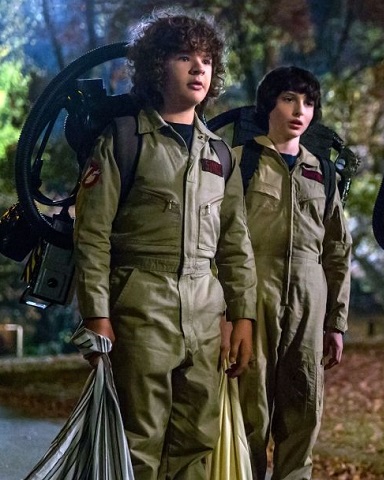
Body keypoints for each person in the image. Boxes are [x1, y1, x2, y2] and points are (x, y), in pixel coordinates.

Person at [72, 11, 257, 479]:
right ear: (157, 67)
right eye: (183, 57)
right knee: (139, 443)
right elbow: (92, 236)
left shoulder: (220, 154)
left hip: (205, 311)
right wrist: (96, 316)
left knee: (196, 442)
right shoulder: (124, 140)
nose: (198, 68)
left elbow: (235, 242)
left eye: (206, 60)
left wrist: (243, 316)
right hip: (140, 306)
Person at [235, 66, 352, 480]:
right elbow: (218, 243)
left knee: (303, 414)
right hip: (253, 300)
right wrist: (228, 312)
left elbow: (337, 250)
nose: (299, 110)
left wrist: (336, 323)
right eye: (289, 99)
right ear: (269, 105)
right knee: (248, 417)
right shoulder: (240, 162)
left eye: (308, 102)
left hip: (309, 306)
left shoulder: (323, 172)